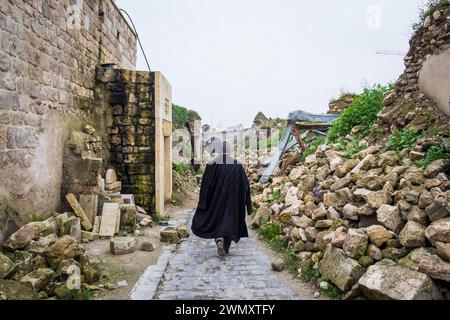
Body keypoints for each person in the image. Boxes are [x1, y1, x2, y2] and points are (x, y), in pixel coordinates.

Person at [191, 141, 253, 257]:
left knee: (216, 220)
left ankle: (218, 240)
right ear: (229, 151)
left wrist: (203, 203)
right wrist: (248, 206)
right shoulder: (237, 165)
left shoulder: (211, 165)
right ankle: (226, 247)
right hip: (233, 202)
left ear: (218, 151)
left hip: (216, 200)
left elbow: (204, 186)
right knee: (230, 223)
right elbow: (245, 186)